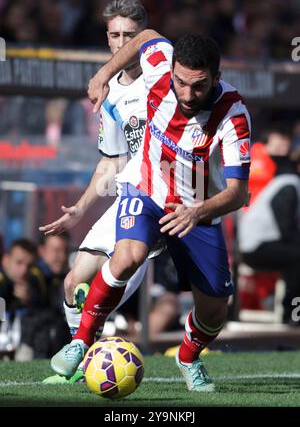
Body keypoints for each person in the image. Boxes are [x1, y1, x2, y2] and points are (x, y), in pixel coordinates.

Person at [51, 29, 251, 392]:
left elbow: (238, 193)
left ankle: (188, 358)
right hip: (145, 191)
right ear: (171, 69)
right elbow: (145, 36)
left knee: (214, 311)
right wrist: (102, 74)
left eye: (199, 86)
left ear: (216, 78)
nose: (187, 95)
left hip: (198, 210)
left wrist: (196, 212)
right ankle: (81, 340)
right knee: (128, 256)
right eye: (181, 83)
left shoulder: (233, 114)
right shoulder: (159, 66)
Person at [40, 0, 160, 382]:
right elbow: (112, 161)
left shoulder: (163, 74)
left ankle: (189, 356)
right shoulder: (110, 97)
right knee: (74, 282)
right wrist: (79, 208)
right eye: (115, 35)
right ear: (107, 38)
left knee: (106, 287)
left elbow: (153, 39)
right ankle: (83, 361)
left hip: (170, 198)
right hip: (131, 196)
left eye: (130, 35)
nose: (122, 42)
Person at [238, 149, 300, 324]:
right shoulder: (289, 184)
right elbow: (286, 228)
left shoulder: (287, 182)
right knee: (297, 257)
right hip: (254, 248)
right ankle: (292, 314)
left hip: (261, 245)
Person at [0, 239, 47, 359]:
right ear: (5, 260)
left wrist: (29, 302)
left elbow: (47, 314)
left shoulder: (35, 280)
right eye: (19, 263)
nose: (24, 270)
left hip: (23, 344)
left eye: (29, 265)